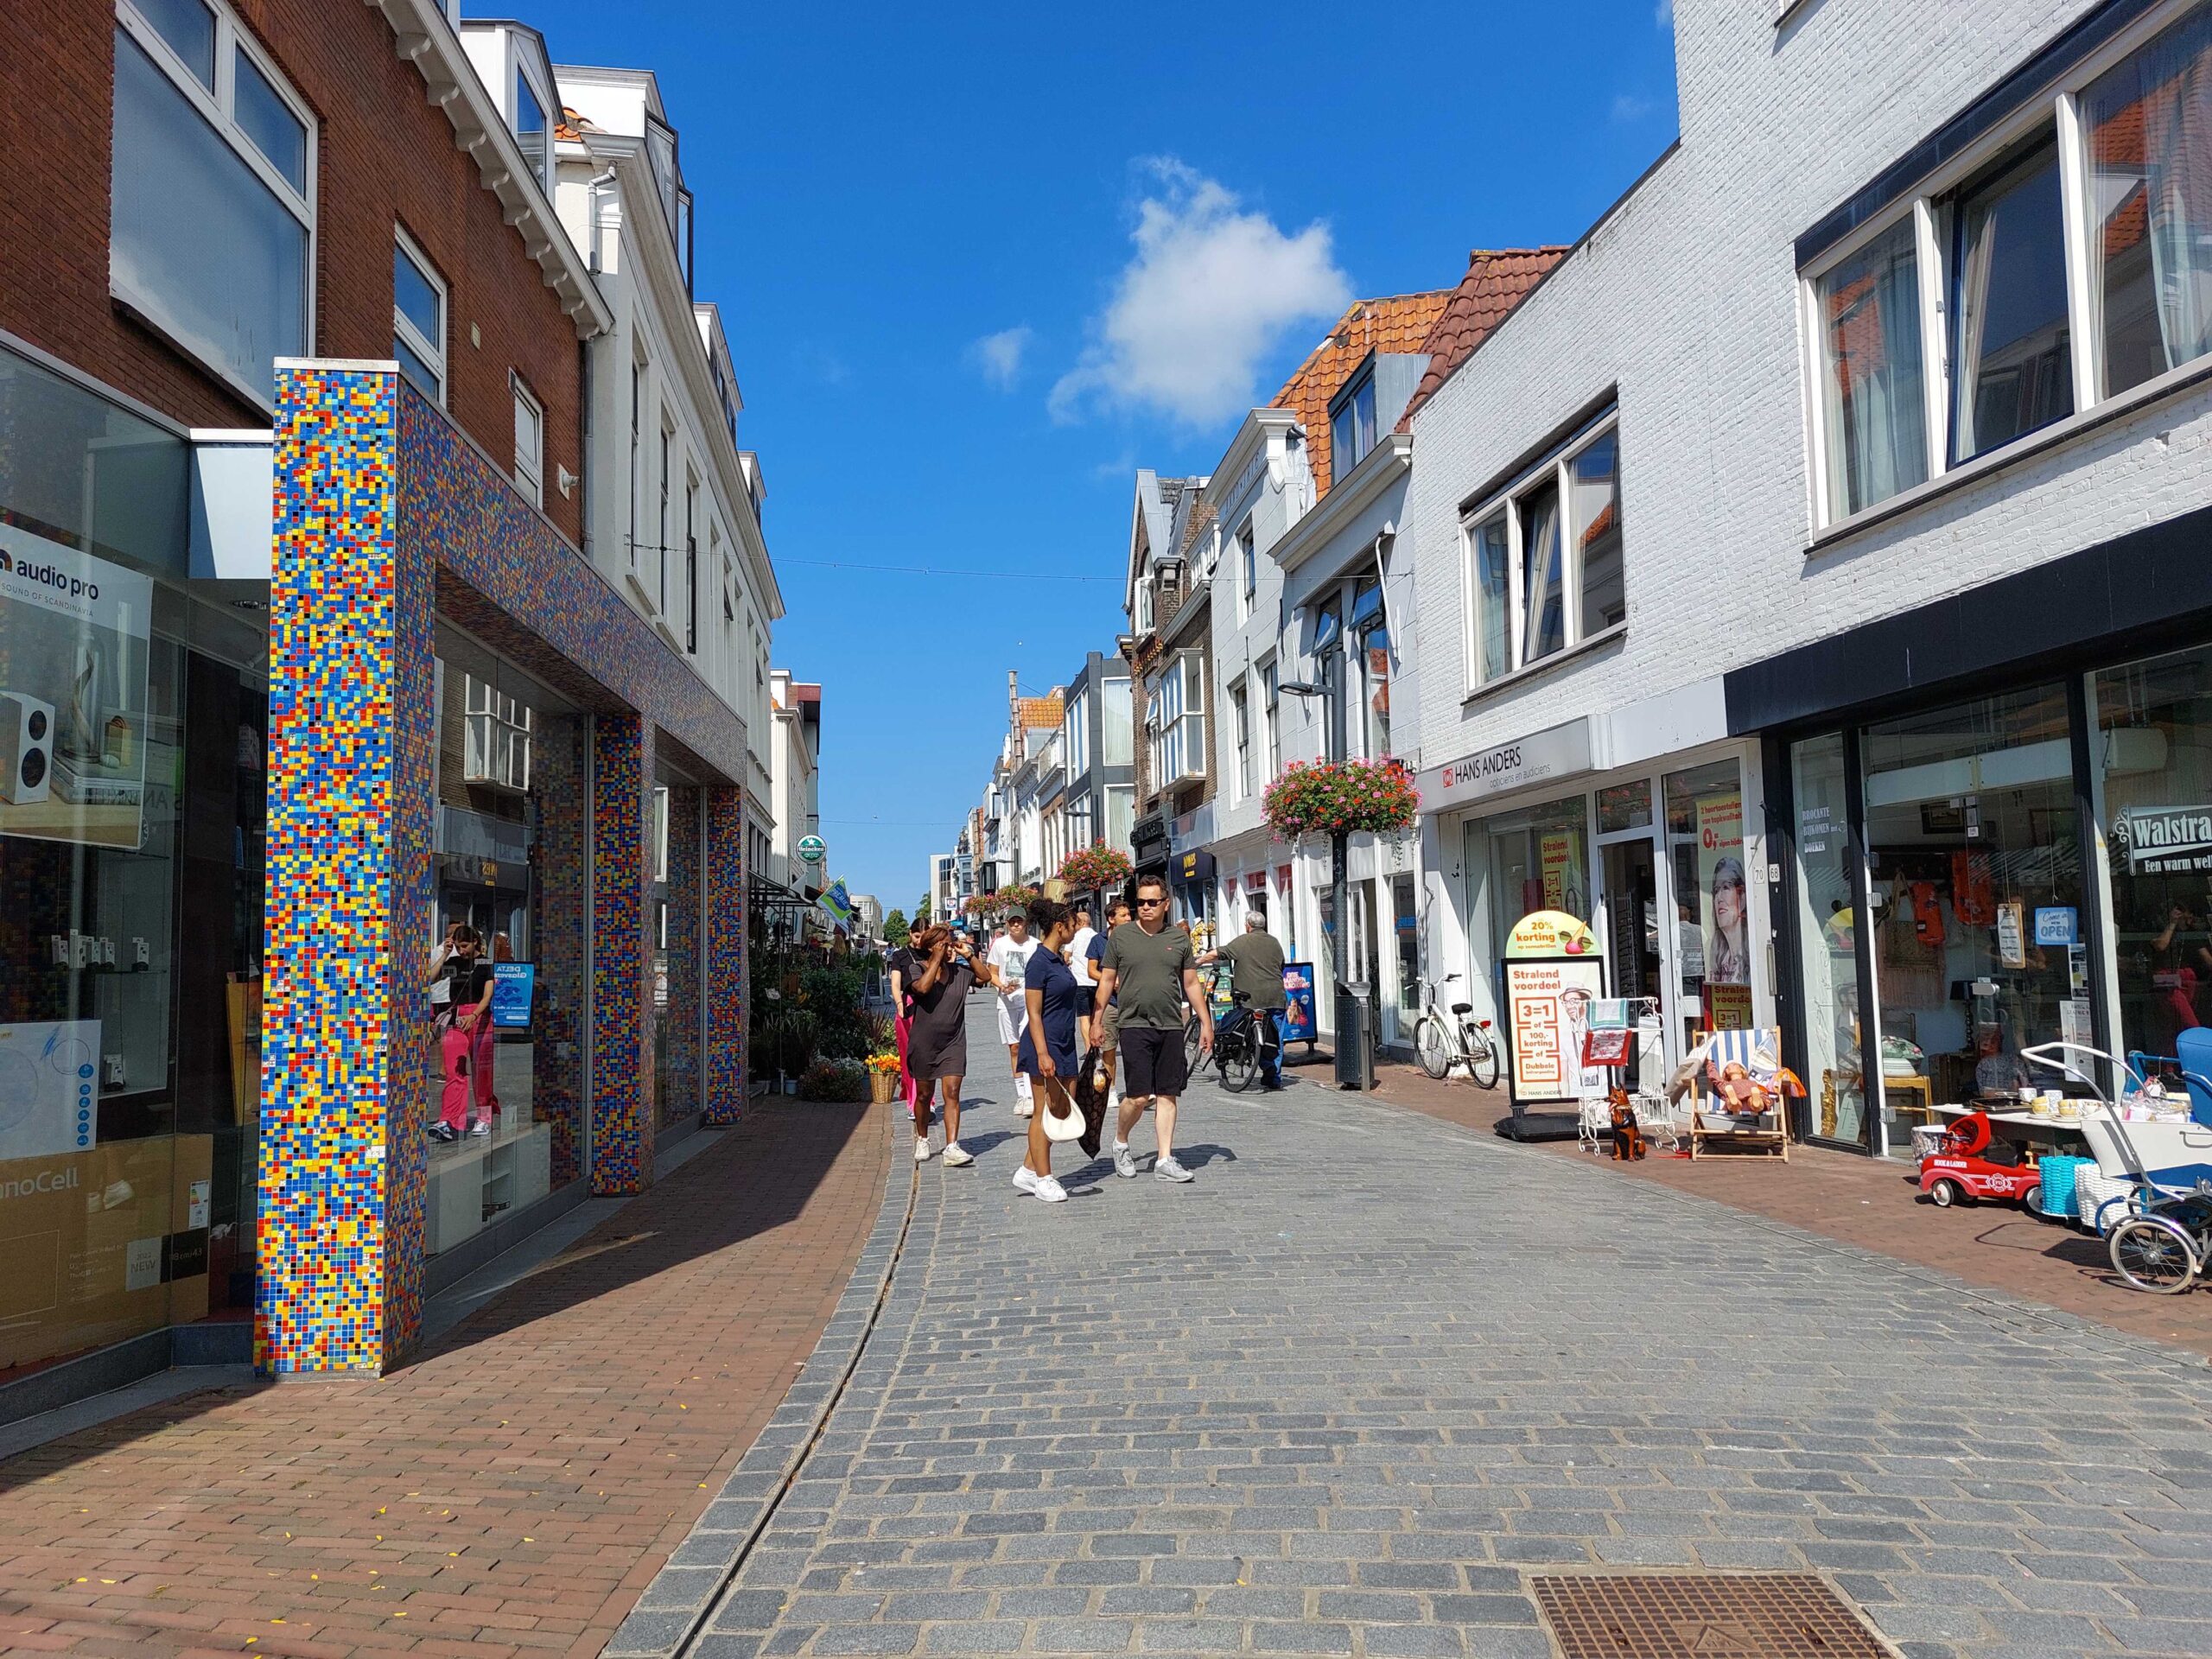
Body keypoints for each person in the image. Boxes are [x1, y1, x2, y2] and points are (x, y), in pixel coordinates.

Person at [1094, 874, 1212, 1183]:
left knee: (1167, 1094)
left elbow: (1190, 983)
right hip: (1133, 1024)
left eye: (1152, 902)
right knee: (1137, 1095)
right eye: (1140, 903)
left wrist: (1205, 1022)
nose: (1145, 908)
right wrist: (1096, 1021)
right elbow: (1106, 981)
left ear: (1165, 904)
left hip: (1171, 1024)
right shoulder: (1121, 938)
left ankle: (1164, 1159)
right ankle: (1121, 1142)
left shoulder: (1178, 939)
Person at [1013, 896, 1084, 1204]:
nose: (1075, 929)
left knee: (1060, 1108)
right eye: (1072, 925)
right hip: (1045, 1042)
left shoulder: (1058, 960)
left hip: (1064, 1041)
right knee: (1043, 1113)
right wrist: (1042, 1053)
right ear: (1059, 927)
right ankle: (1043, 1178)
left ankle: (1029, 1169)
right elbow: (1035, 1013)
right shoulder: (1039, 962)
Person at [901, 925, 980, 1166]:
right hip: (924, 1044)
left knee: (953, 1093)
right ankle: (923, 1138)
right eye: (944, 944)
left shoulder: (959, 972)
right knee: (924, 1095)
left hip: (953, 1043)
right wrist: (935, 958)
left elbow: (985, 977)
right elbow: (923, 988)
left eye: (950, 943)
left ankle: (952, 1147)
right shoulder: (916, 969)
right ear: (932, 947)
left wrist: (969, 955)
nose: (949, 948)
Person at [1198, 913, 1289, 1089]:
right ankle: (1274, 1076)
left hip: (1251, 999)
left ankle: (1253, 1058)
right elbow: (1281, 965)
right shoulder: (1274, 942)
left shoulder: (1243, 941)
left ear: (1248, 925)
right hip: (1276, 997)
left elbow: (1217, 953)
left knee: (1245, 1029)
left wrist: (1198, 961)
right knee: (1276, 1036)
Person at [432, 925, 494, 1141]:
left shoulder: (485, 963)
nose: (462, 950)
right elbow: (430, 979)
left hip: (479, 1016)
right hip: (457, 1017)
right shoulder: (454, 962)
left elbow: (488, 995)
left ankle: (484, 1117)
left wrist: (475, 1015)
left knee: (481, 1071)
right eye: (458, 946)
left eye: (465, 946)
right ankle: (448, 1120)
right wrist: (446, 954)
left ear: (475, 942)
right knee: (454, 1069)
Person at [987, 910, 1036, 1116]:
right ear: (1007, 924)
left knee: (1028, 1043)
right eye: (1012, 922)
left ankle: (1031, 1094)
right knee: (1014, 1047)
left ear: (1026, 923)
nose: (1016, 925)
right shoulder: (1000, 945)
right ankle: (1021, 1094)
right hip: (1007, 1001)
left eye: (1019, 921)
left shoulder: (1035, 944)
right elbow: (992, 973)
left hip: (1028, 1000)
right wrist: (1001, 986)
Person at [1706, 856, 1750, 985]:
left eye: (1725, 887)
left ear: (1741, 897)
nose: (1719, 898)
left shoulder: (1752, 955)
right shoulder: (1718, 960)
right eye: (1716, 890)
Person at [1067, 903, 1100, 1051]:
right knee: (1096, 1014)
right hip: (1096, 981)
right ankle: (1096, 1044)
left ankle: (1088, 1048)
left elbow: (1066, 956)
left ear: (1079, 923)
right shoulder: (1097, 937)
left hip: (1079, 981)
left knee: (1084, 1016)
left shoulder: (1074, 937)